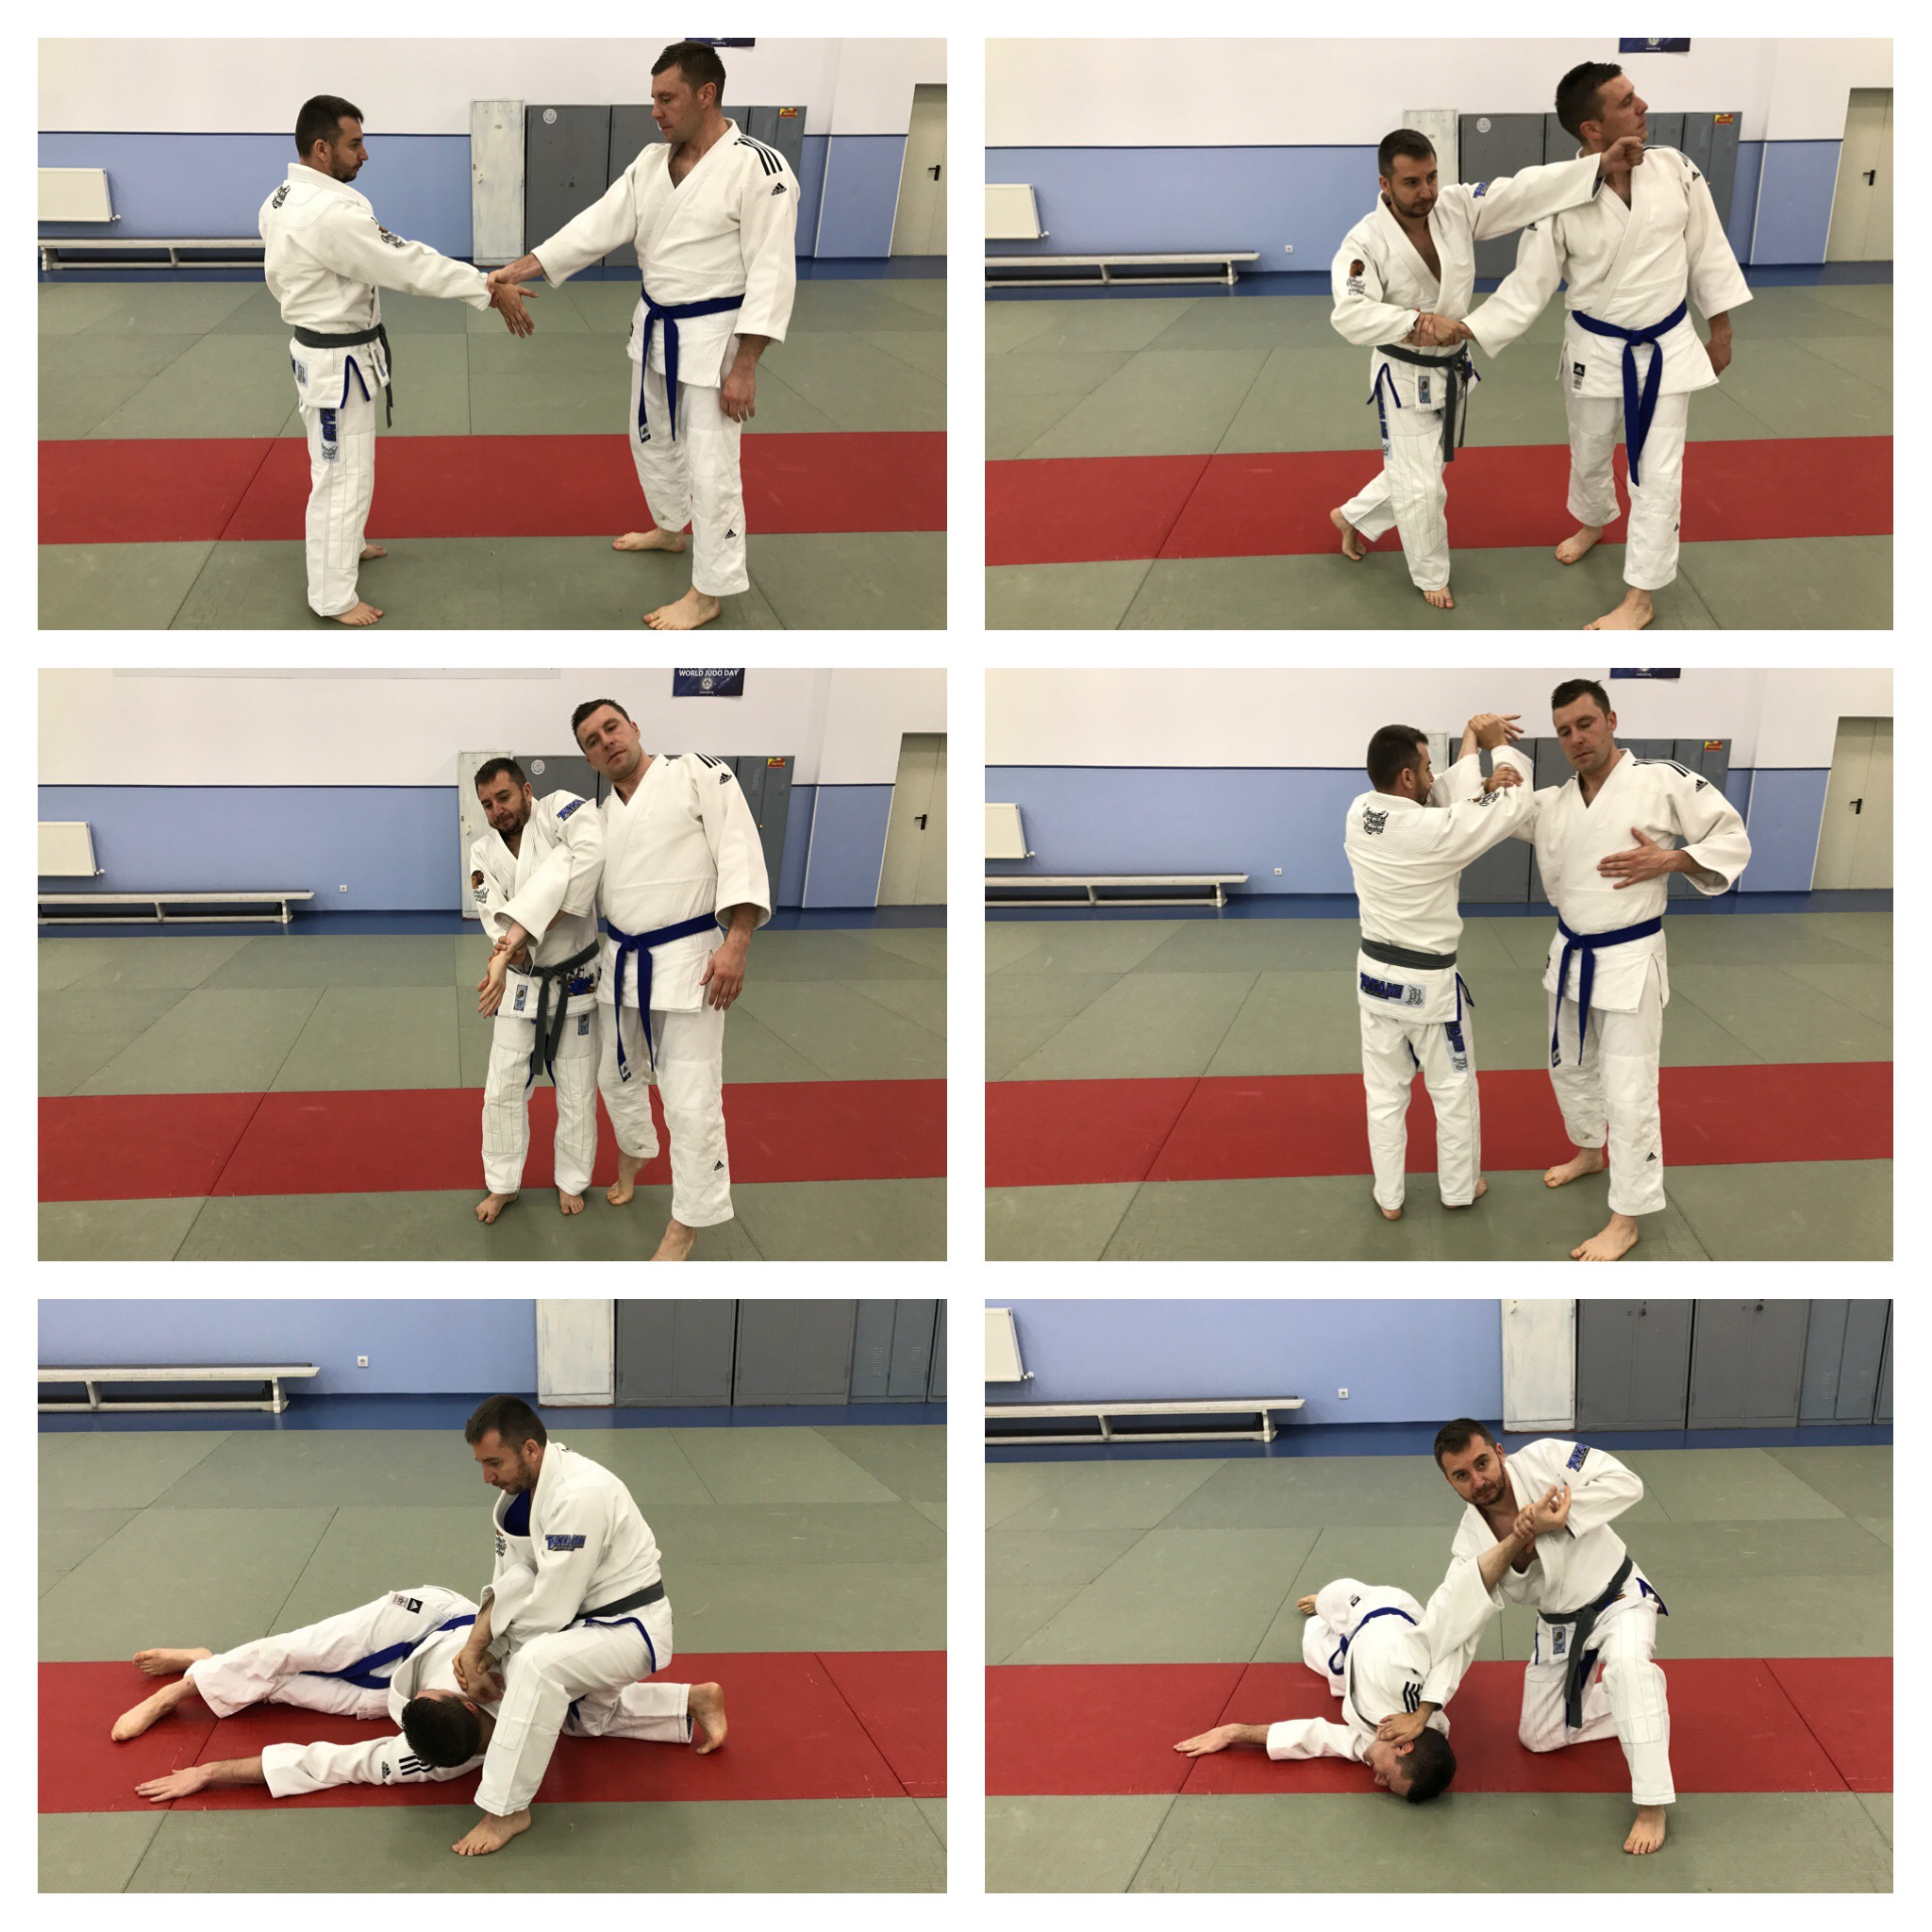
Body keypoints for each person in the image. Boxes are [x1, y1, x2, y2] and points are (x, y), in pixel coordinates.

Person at [483, 43, 798, 630]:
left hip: (714, 341)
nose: (655, 111)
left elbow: (773, 273)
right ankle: (670, 527)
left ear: (706, 95)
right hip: (654, 328)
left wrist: (746, 367)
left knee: (712, 466)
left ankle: (709, 591)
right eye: (653, 98)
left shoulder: (760, 168)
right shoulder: (652, 163)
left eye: (666, 98)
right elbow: (595, 226)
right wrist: (519, 268)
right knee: (650, 441)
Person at [1462, 64, 1752, 630]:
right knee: (1590, 449)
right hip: (1594, 349)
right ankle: (1593, 521)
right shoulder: (1561, 194)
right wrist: (1468, 328)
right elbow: (1529, 284)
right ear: (1592, 129)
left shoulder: (1676, 169)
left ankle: (1640, 597)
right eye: (1626, 102)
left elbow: (1707, 251)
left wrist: (1721, 330)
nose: (1642, 106)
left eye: (1635, 95)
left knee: (1658, 473)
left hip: (1666, 347)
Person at [491, 699, 771, 1261]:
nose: (606, 742)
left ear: (634, 727)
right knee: (614, 1080)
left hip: (692, 963)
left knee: (690, 1099)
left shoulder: (696, 774)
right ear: (589, 759)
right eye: (592, 741)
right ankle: (637, 1150)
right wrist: (513, 939)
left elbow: (739, 850)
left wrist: (737, 942)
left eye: (611, 728)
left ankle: (686, 1222)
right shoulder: (597, 819)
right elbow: (560, 876)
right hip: (620, 966)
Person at [1330, 129, 1641, 608]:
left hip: (1451, 370)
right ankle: (1430, 574)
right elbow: (1350, 314)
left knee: (1422, 467)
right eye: (1411, 182)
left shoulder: (1455, 207)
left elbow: (1523, 191)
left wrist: (1598, 165)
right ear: (1384, 184)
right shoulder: (1365, 242)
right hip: (1404, 377)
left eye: (1432, 177)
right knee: (1422, 486)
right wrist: (1416, 322)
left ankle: (1352, 516)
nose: (1427, 192)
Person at [259, 94, 535, 627]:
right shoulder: (330, 214)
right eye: (354, 144)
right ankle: (332, 597)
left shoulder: (281, 196)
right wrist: (485, 284)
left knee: (342, 468)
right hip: (336, 365)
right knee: (341, 478)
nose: (365, 155)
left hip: (324, 354)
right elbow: (407, 263)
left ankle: (347, 545)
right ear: (322, 149)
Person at [1505, 678, 1751, 1259]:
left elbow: (1731, 835)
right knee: (1570, 1068)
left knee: (1630, 1090)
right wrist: (1489, 758)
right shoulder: (1554, 803)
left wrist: (1672, 858)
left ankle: (1627, 1216)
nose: (1576, 738)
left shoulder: (1661, 780)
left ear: (1611, 720)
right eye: (1564, 731)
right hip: (1570, 957)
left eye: (1585, 723)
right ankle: (1591, 1151)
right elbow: (1497, 815)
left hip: (1630, 960)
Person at [110, 1584, 724, 1810]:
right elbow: (522, 1600)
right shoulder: (525, 1674)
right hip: (420, 1622)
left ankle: (206, 1667)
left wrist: (210, 1772)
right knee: (300, 1649)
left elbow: (332, 1763)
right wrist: (483, 1650)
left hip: (400, 1675)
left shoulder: (429, 1757)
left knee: (301, 1692)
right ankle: (186, 1686)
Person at [1172, 1503, 1543, 1798]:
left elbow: (1315, 1736)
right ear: (1404, 1749)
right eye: (1388, 1778)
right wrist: (1515, 1541)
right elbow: (1455, 1629)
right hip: (1378, 1609)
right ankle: (1325, 1603)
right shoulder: (1408, 1678)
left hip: (1353, 1663)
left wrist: (1235, 1732)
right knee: (1330, 1597)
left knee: (1311, 1647)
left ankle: (1330, 1628)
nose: (1377, 1781)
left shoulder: (1373, 1744)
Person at [1422, 1420, 1673, 1855]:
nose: (1478, 1481)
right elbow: (1457, 1625)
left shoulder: (1548, 1459)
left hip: (1618, 1596)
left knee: (1628, 1668)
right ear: (1449, 1481)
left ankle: (1653, 1804)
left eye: (1482, 1463)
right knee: (1540, 1736)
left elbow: (1626, 1483)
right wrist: (1429, 1705)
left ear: (1500, 1452)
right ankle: (1639, 1700)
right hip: (1559, 1625)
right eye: (1462, 1475)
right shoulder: (1470, 1544)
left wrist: (1560, 1516)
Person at [447, 1395, 677, 1855]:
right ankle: (689, 1703)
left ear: (530, 1449)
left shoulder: (578, 1495)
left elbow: (551, 1611)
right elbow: (513, 1582)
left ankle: (507, 1810)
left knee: (535, 1667)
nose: (487, 1477)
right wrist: (480, 1647)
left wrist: (495, 1657)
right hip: (586, 1622)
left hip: (630, 1627)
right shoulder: (523, 1493)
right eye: (481, 1464)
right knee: (578, 1722)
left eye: (494, 1463)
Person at [1344, 712, 1536, 1220]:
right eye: (1428, 767)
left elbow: (1443, 805)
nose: (1434, 776)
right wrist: (1497, 748)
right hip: (1428, 990)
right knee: (1453, 1093)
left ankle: (1389, 1198)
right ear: (1407, 776)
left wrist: (1470, 749)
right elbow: (1515, 804)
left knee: (1384, 1096)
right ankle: (1458, 1189)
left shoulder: (1360, 811)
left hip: (1373, 981)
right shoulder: (1435, 832)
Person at [470, 758, 606, 1224]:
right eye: (487, 804)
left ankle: (572, 1179)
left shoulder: (560, 811)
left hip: (575, 978)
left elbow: (589, 857)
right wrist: (509, 951)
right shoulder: (482, 852)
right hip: (519, 979)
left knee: (577, 1088)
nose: (497, 811)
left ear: (527, 790)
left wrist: (526, 931)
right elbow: (493, 915)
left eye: (504, 797)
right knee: (502, 1088)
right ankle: (503, 1184)